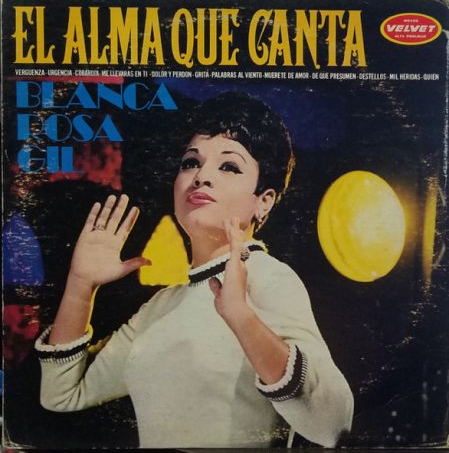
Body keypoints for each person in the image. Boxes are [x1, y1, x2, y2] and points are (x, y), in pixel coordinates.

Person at [35, 92, 353, 448]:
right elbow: (62, 395)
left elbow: (333, 424)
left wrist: (240, 316)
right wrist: (80, 286)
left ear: (263, 201)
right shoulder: (160, 306)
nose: (201, 176)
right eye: (190, 162)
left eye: (228, 166)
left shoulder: (269, 278)